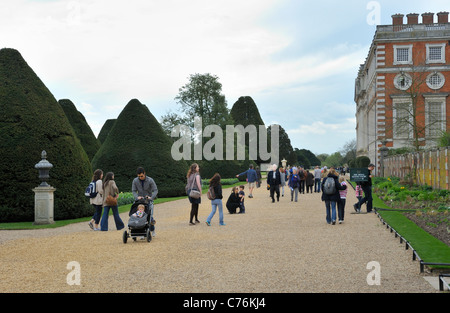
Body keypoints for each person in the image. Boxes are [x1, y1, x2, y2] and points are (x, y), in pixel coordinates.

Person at [132, 167, 158, 236]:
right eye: (139, 176)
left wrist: (151, 197)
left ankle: (152, 229)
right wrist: (137, 197)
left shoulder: (150, 180)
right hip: (139, 201)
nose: (140, 177)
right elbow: (134, 191)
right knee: (138, 216)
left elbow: (155, 190)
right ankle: (139, 230)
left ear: (144, 173)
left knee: (149, 216)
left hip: (147, 201)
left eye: (141, 176)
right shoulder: (135, 181)